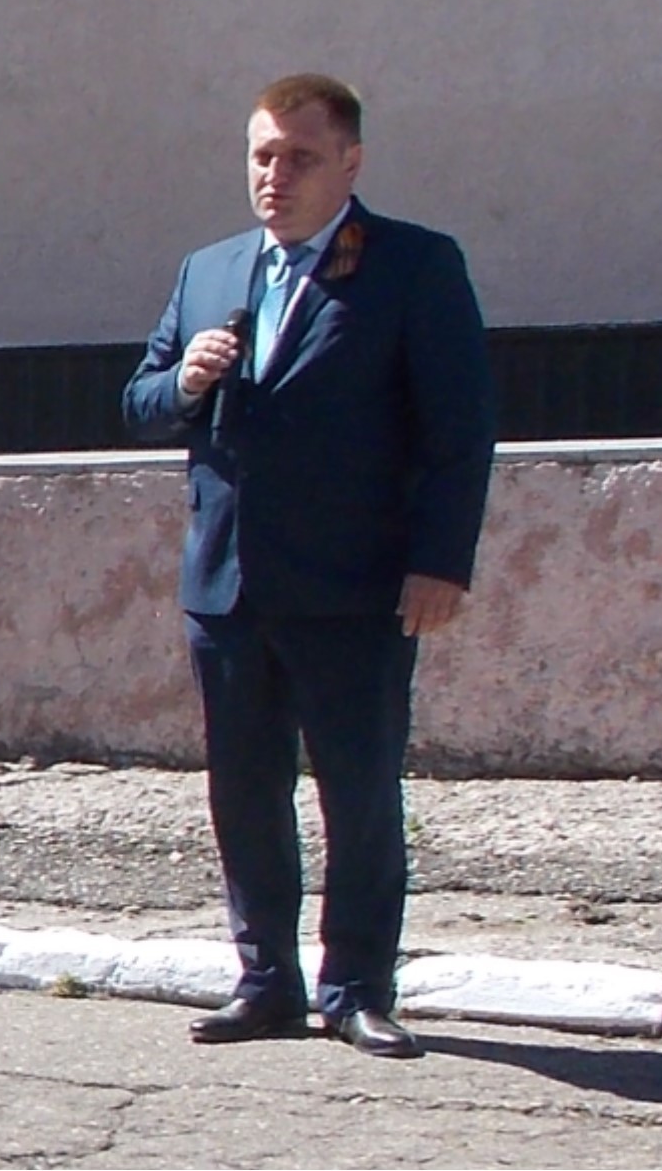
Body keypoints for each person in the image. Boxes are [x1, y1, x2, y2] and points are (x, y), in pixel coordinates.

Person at [124, 73, 497, 1059]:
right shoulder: (210, 270)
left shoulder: (412, 265)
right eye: (262, 156)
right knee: (245, 793)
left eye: (299, 158)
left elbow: (459, 432)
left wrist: (440, 562)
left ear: (350, 163)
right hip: (229, 586)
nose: (275, 176)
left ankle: (358, 988)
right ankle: (266, 983)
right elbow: (139, 400)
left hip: (355, 587)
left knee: (358, 793)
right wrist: (184, 380)